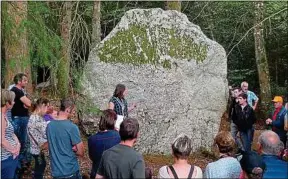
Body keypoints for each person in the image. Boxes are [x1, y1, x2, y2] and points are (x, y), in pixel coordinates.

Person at [47, 98, 84, 179]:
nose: (74, 113)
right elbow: (81, 152)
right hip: (70, 171)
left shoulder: (49, 126)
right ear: (67, 110)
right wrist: (74, 149)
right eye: (73, 111)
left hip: (56, 172)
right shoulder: (72, 127)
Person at [88, 109, 120, 179]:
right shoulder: (118, 136)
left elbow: (91, 157)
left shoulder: (92, 139)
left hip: (96, 172)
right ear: (113, 121)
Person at [10, 73, 32, 173]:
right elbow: (29, 103)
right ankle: (20, 165)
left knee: (22, 141)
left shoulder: (19, 91)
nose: (26, 82)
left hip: (20, 118)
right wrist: (27, 103)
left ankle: (21, 164)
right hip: (20, 119)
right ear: (19, 81)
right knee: (22, 141)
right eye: (24, 80)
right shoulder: (16, 90)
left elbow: (27, 105)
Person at [27, 98, 50, 179]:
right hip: (38, 149)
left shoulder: (33, 117)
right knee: (40, 169)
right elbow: (47, 133)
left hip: (35, 148)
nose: (47, 109)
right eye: (47, 107)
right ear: (43, 105)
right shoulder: (37, 118)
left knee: (39, 167)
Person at [1, 90, 21, 179]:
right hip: (5, 159)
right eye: (12, 100)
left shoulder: (5, 115)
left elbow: (11, 133)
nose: (14, 102)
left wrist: (18, 144)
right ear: (7, 102)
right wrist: (13, 150)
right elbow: (1, 140)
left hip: (9, 158)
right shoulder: (1, 117)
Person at [229, 87, 243, 151]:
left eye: (236, 92)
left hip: (240, 122)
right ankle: (239, 148)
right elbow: (231, 109)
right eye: (234, 92)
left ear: (240, 92)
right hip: (233, 121)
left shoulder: (243, 100)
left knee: (240, 136)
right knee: (232, 136)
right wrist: (230, 117)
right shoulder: (233, 100)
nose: (235, 93)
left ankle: (242, 149)